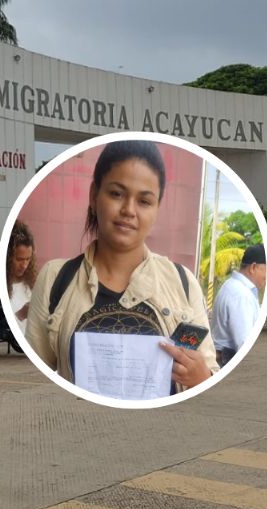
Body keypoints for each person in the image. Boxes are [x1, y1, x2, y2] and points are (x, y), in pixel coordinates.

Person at [25, 140, 218, 395]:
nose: (128, 210)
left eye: (144, 201)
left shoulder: (182, 283)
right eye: (116, 194)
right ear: (94, 195)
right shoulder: (55, 279)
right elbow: (34, 378)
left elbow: (209, 372)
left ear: (157, 208)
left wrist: (201, 377)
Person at [211, 245, 267, 366]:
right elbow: (244, 342)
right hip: (227, 359)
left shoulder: (233, 285)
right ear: (253, 267)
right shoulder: (241, 295)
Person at [7, 220, 37, 334]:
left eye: (28, 259)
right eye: (19, 259)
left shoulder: (31, 283)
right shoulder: (0, 287)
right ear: (8, 257)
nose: (24, 265)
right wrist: (21, 314)